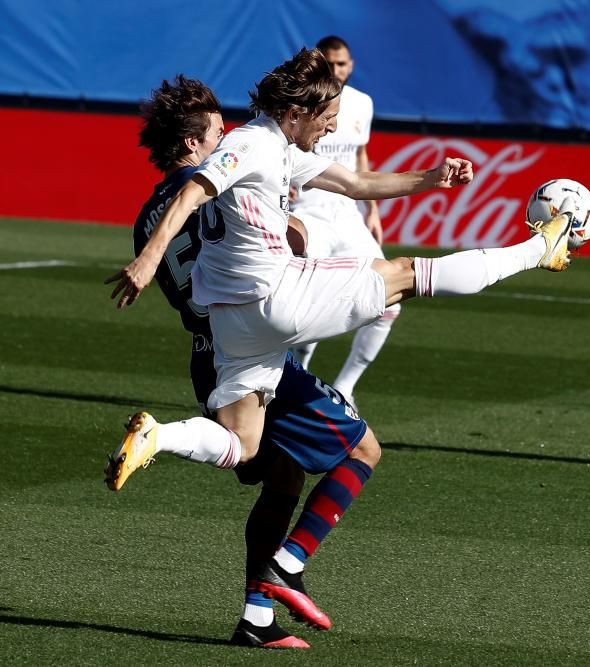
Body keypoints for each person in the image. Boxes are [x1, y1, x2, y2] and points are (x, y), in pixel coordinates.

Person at [105, 48, 577, 637]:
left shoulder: (267, 147)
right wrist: (150, 260)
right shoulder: (250, 145)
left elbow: (354, 181)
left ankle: (161, 440)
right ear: (297, 110)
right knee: (408, 276)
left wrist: (429, 179)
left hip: (229, 333)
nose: (334, 125)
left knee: (245, 446)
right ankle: (541, 248)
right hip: (276, 298)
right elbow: (198, 188)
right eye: (327, 113)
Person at [124, 74, 392, 649]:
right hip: (252, 349)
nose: (229, 138)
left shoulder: (146, 218)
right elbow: (287, 242)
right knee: (363, 448)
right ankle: (285, 567)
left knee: (283, 478)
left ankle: (257, 619)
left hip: (206, 353)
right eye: (219, 132)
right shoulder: (221, 185)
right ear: (194, 147)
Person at [289, 36, 390, 406]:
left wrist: (373, 210)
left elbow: (360, 156)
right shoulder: (297, 103)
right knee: (305, 297)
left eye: (343, 64)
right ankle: (294, 376)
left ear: (351, 65)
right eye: (330, 64)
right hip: (309, 214)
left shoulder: (362, 103)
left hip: (348, 216)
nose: (337, 70)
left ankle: (345, 387)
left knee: (390, 301)